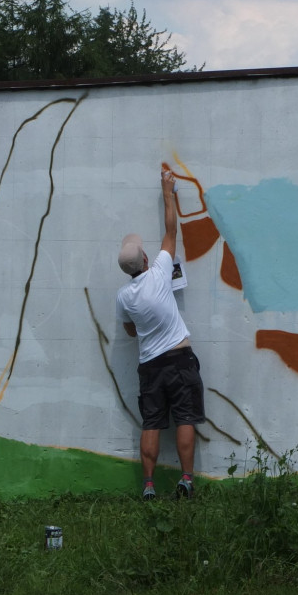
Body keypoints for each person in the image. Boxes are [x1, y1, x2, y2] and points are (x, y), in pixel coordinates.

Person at [116, 168, 205, 500]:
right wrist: (167, 193)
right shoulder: (159, 272)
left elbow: (128, 330)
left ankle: (149, 486)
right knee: (185, 417)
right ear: (143, 257)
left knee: (151, 423)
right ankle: (185, 480)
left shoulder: (124, 296)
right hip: (180, 359)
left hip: (150, 366)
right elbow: (171, 231)